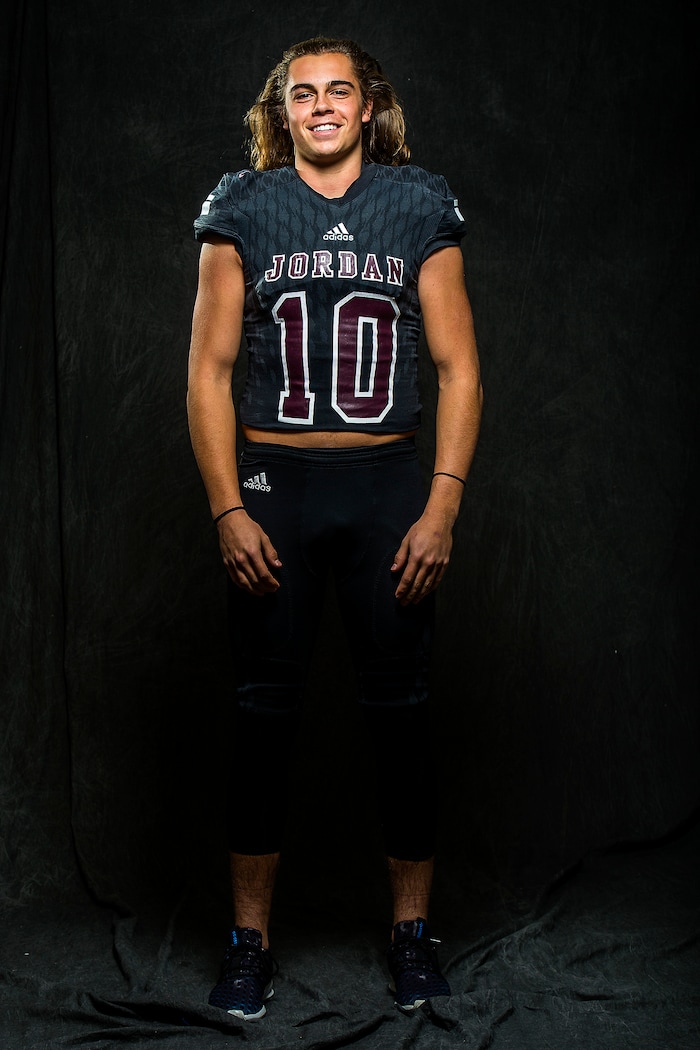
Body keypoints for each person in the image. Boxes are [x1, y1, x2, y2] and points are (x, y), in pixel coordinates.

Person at [187, 36, 482, 1021]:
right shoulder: (243, 205)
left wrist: (439, 504)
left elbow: (459, 369)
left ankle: (409, 933)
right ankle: (247, 944)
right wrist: (229, 505)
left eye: (336, 92)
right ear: (283, 112)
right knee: (262, 717)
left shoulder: (415, 202)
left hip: (387, 482)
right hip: (275, 484)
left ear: (367, 107)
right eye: (300, 93)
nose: (319, 106)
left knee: (399, 714)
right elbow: (209, 372)